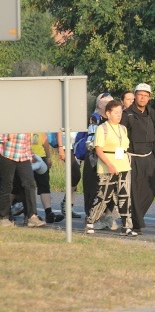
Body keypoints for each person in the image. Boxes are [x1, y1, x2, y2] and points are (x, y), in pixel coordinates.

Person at [85, 100, 137, 236]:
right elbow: (98, 150)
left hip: (123, 165)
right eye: (116, 112)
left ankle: (127, 226)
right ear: (108, 113)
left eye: (120, 112)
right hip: (107, 166)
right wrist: (109, 164)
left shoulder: (123, 128)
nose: (119, 115)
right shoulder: (103, 128)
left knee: (125, 195)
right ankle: (91, 221)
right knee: (104, 196)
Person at [121, 83, 155, 234]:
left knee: (150, 192)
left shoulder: (152, 114)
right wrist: (119, 160)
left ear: (149, 98)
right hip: (131, 158)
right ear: (135, 95)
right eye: (140, 95)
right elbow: (120, 138)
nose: (143, 98)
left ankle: (135, 220)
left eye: (146, 95)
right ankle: (133, 224)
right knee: (133, 192)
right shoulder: (126, 115)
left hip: (149, 158)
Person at [81, 93, 119, 230]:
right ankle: (92, 217)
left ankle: (107, 216)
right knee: (94, 189)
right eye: (107, 103)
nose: (110, 105)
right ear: (100, 105)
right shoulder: (94, 118)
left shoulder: (114, 121)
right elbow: (91, 142)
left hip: (110, 159)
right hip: (94, 160)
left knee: (110, 188)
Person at [0, 133, 46, 227]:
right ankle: (3, 217)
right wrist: (6, 136)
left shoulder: (23, 120)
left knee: (29, 184)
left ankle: (31, 217)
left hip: (23, 156)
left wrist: (30, 155)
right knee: (7, 185)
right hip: (7, 154)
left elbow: (27, 137)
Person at [30, 133, 63, 223]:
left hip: (41, 156)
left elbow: (44, 139)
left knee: (44, 185)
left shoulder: (40, 122)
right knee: (28, 186)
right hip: (26, 156)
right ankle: (31, 214)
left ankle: (49, 213)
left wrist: (48, 157)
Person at [56, 130, 82, 218]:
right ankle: (65, 202)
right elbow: (58, 129)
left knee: (74, 177)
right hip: (65, 146)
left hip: (77, 144)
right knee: (76, 175)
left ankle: (70, 207)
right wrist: (60, 147)